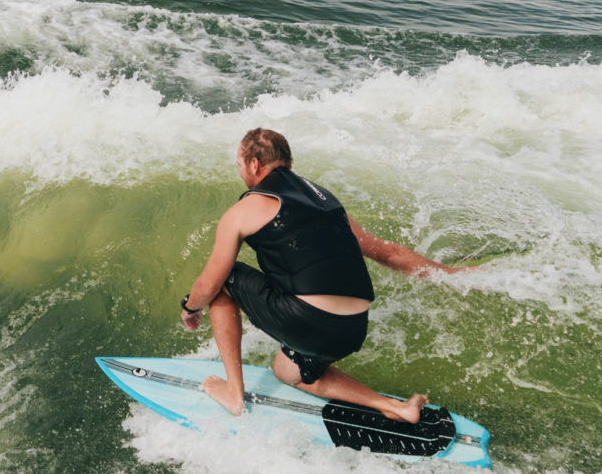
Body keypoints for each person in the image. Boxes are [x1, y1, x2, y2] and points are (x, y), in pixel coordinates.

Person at [178, 127, 467, 423]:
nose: (240, 173)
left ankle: (234, 394)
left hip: (310, 322)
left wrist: (191, 307)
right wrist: (452, 275)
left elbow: (210, 282)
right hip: (353, 329)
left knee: (227, 279)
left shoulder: (245, 208)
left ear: (254, 164)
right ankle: (395, 407)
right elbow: (386, 252)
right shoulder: (326, 201)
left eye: (239, 165)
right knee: (287, 371)